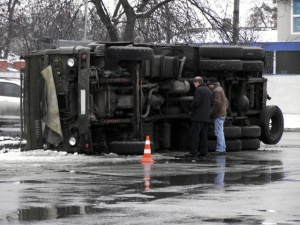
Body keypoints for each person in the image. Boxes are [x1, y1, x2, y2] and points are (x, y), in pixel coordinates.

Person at [187, 76, 212, 160]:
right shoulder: (209, 90)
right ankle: (204, 152)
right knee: (204, 135)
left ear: (196, 82)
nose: (194, 85)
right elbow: (211, 103)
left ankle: (194, 153)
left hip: (197, 116)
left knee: (195, 135)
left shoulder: (198, 90)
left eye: (194, 84)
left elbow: (196, 102)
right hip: (206, 117)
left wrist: (191, 108)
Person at [207, 77, 227, 155]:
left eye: (209, 85)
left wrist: (210, 113)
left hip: (218, 114)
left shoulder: (216, 91)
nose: (209, 86)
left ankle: (220, 150)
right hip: (222, 113)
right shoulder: (220, 89)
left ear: (213, 84)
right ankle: (222, 148)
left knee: (218, 132)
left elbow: (217, 104)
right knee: (220, 132)